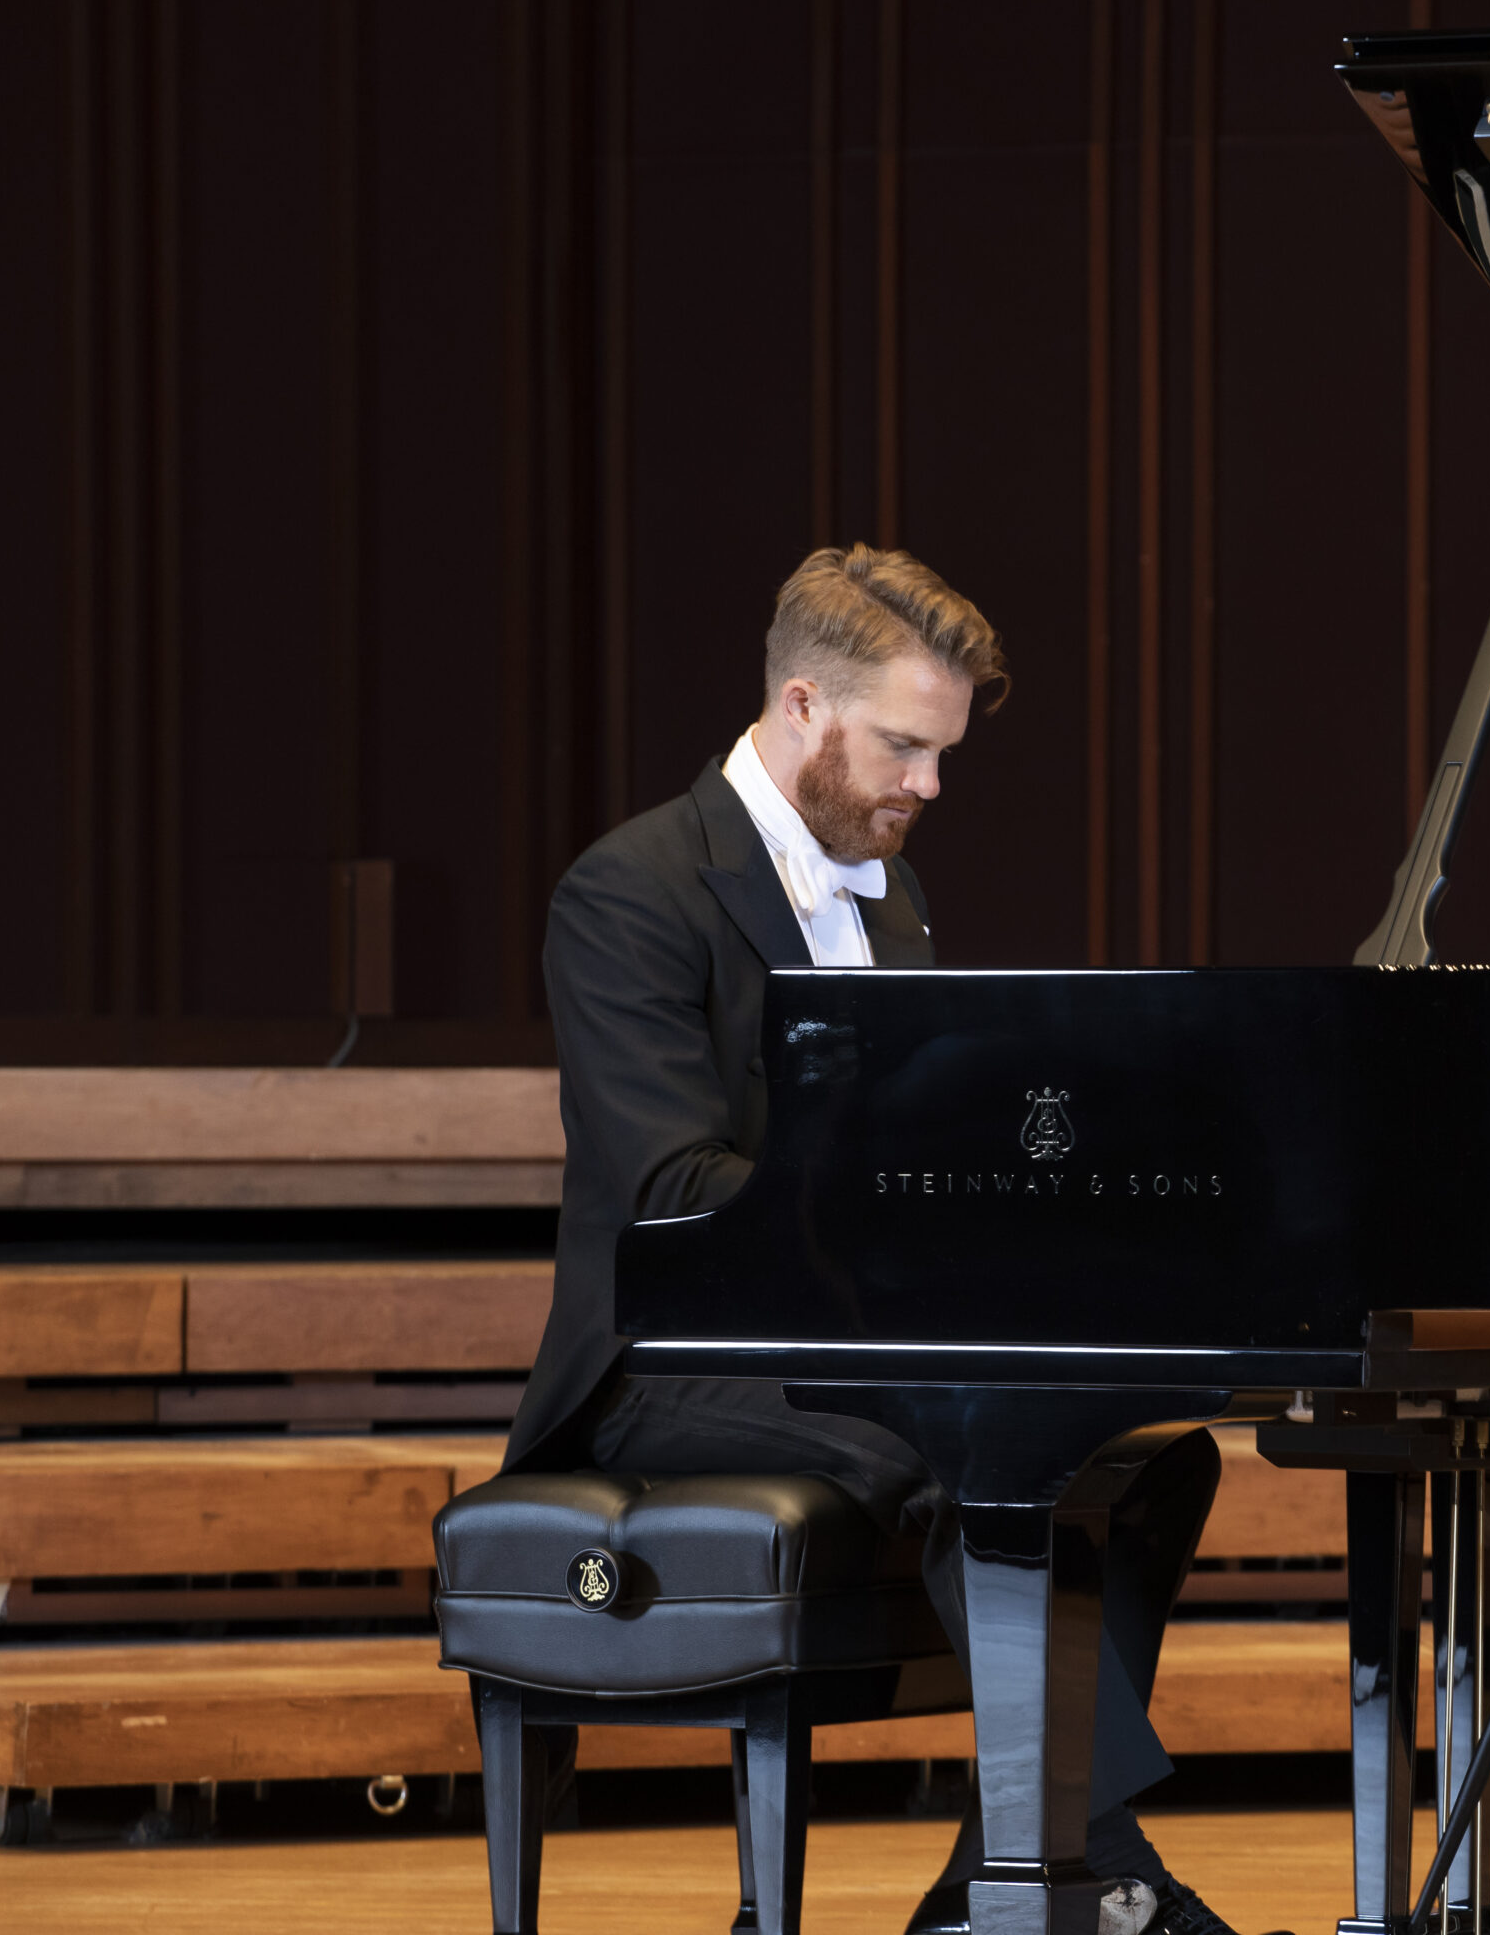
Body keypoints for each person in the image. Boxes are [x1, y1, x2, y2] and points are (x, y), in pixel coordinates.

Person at [504, 544, 1250, 1935]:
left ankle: (997, 1880)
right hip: (663, 1373)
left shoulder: (885, 889)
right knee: (960, 1436)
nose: (929, 785)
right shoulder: (631, 892)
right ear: (803, 706)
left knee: (1151, 1453)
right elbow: (670, 1181)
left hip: (849, 1339)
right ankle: (1099, 1873)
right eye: (906, 746)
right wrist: (905, 1221)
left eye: (941, 752)